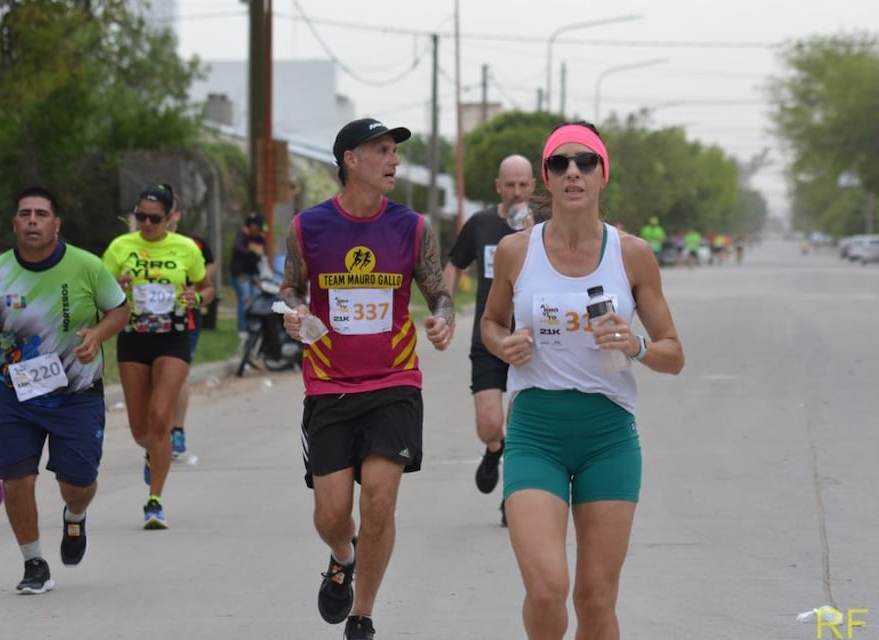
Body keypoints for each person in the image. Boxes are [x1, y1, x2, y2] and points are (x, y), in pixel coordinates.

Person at [480, 122, 685, 640]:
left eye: (586, 162)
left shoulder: (632, 253)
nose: (573, 171)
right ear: (546, 178)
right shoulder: (515, 251)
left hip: (608, 439)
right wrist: (502, 345)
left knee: (595, 601)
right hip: (535, 435)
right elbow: (490, 322)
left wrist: (634, 344)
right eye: (560, 163)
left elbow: (673, 353)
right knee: (547, 590)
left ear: (601, 176)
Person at [279, 117, 454, 640]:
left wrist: (444, 318)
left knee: (379, 499)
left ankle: (363, 615)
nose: (393, 160)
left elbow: (438, 291)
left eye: (393, 151)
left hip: (394, 382)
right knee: (332, 515)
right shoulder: (307, 227)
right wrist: (293, 312)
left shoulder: (413, 227)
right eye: (382, 150)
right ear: (351, 160)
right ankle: (341, 555)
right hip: (329, 385)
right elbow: (290, 288)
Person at [0, 186, 129, 595]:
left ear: (56, 224)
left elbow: (120, 308)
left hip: (76, 394)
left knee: (78, 483)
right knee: (15, 478)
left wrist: (97, 333)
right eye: (25, 214)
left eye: (41, 214)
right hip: (14, 394)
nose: (33, 220)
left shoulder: (86, 265)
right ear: (15, 223)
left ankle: (75, 515)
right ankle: (33, 562)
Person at [101, 184, 212, 529]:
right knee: (140, 428)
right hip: (134, 338)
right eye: (141, 217)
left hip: (172, 338)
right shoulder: (120, 247)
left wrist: (199, 299)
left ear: (169, 218)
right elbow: (98, 290)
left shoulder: (185, 248)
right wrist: (115, 288)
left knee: (161, 416)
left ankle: (155, 500)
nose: (146, 224)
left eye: (154, 218)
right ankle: (152, 450)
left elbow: (206, 287)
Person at [442, 154, 536, 526]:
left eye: (522, 185)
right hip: (489, 334)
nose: (516, 193)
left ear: (532, 187)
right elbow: (455, 264)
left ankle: (510, 497)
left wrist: (532, 232)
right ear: (498, 186)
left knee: (523, 427)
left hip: (532, 340)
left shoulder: (547, 225)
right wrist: (445, 308)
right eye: (509, 185)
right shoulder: (480, 224)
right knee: (489, 423)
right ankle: (493, 449)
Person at [162, 185, 216, 460]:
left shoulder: (192, 245)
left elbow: (208, 278)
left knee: (177, 375)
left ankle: (177, 433)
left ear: (176, 216)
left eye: (165, 212)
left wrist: (191, 291)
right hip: (140, 326)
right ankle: (156, 435)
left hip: (184, 322)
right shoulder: (132, 246)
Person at [228, 212, 268, 342]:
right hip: (240, 274)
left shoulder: (261, 237)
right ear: (252, 225)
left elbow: (263, 255)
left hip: (254, 274)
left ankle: (254, 328)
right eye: (257, 226)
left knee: (256, 300)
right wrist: (251, 252)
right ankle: (243, 329)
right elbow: (237, 248)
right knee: (245, 300)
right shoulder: (243, 235)